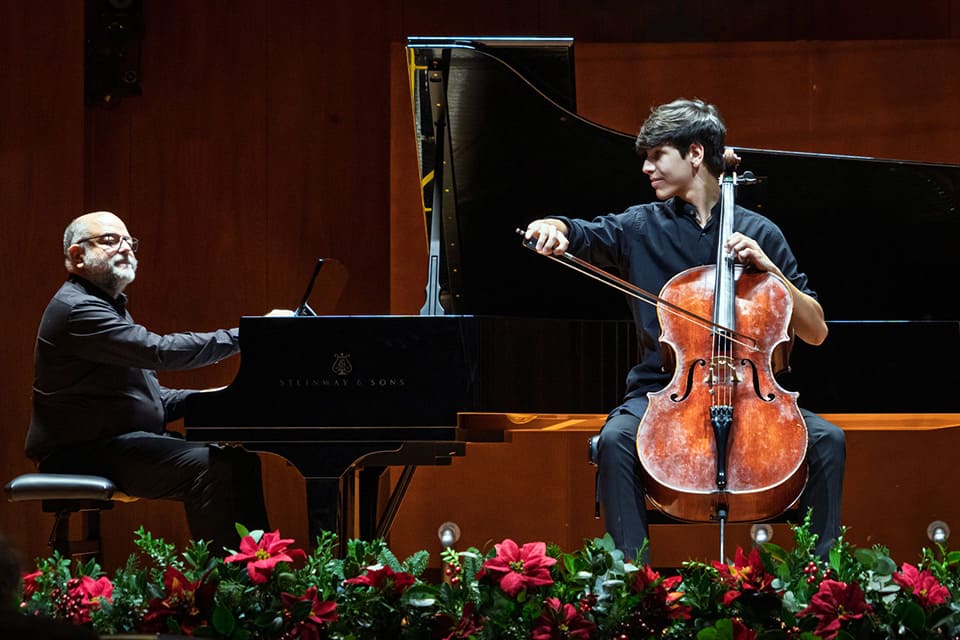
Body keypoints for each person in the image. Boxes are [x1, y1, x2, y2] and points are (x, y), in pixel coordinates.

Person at [524, 98, 845, 561]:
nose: (647, 168)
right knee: (616, 441)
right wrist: (552, 226)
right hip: (663, 388)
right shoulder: (639, 226)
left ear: (695, 154)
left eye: (657, 156)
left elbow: (816, 332)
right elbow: (583, 233)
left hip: (750, 393)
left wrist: (770, 269)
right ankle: (630, 587)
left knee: (828, 441)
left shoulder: (761, 233)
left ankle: (821, 588)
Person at [24, 211, 270, 554]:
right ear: (77, 256)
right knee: (213, 468)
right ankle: (226, 592)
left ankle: (261, 580)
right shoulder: (78, 310)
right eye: (110, 240)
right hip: (78, 451)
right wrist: (250, 336)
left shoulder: (106, 306)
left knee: (240, 462)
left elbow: (148, 398)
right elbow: (159, 351)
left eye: (128, 240)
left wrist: (212, 397)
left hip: (113, 441)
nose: (125, 247)